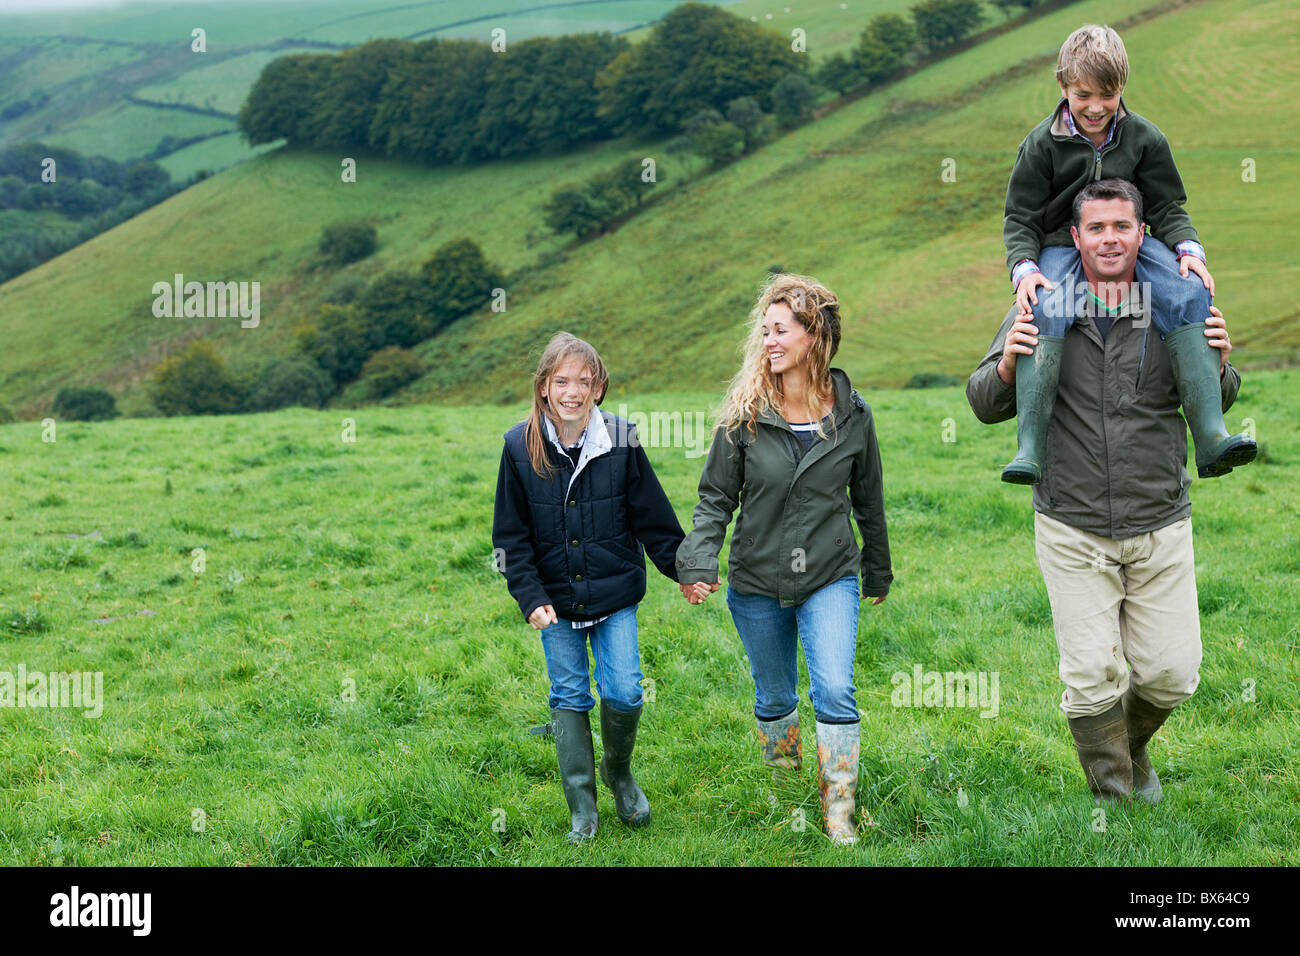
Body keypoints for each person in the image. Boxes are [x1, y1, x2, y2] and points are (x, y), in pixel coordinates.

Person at [968, 179, 1243, 803]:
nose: (1110, 238)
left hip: (1159, 516)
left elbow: (1218, 399)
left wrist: (1222, 363)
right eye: (1097, 228)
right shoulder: (1039, 301)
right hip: (1073, 520)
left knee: (1173, 674)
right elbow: (982, 403)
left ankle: (1124, 746)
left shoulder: (1176, 299)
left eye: (1122, 226)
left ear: (1142, 234)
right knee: (1092, 677)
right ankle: (1119, 797)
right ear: (1076, 237)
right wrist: (1009, 363)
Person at [676, 274, 893, 845]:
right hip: (757, 580)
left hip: (829, 574)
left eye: (781, 330)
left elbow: (868, 498)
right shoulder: (743, 416)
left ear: (814, 334)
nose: (768, 341)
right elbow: (715, 500)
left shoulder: (854, 415)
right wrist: (699, 561)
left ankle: (838, 808)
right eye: (765, 331)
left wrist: (878, 569)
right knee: (775, 697)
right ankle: (785, 786)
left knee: (835, 689)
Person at [1000, 24, 1254, 485]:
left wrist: (1188, 249)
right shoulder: (1040, 145)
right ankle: (1030, 450)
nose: (1095, 107)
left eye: (1107, 94)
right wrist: (1025, 269)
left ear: (1122, 88)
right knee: (1046, 306)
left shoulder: (1145, 137)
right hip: (1060, 244)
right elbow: (1019, 217)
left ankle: (1212, 436)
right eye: (1083, 95)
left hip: (1130, 237)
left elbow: (1167, 205)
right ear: (1063, 87)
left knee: (1190, 291)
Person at [492, 332, 685, 842]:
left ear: (599, 388)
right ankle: (583, 807)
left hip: (615, 594)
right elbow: (509, 537)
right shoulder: (518, 446)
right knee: (570, 693)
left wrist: (686, 571)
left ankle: (618, 773)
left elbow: (654, 518)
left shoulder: (621, 439)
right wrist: (530, 597)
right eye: (562, 381)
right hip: (554, 602)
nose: (573, 391)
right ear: (543, 388)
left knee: (624, 688)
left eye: (584, 380)